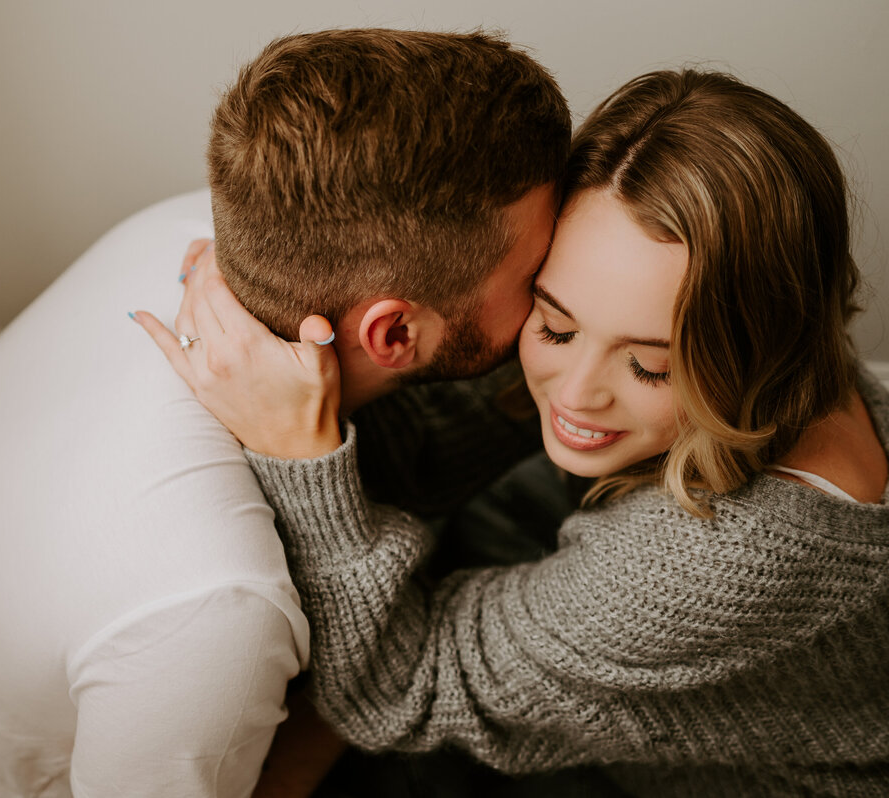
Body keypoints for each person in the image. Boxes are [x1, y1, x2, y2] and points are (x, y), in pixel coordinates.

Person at [0, 29, 570, 798]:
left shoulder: (192, 232)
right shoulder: (215, 606)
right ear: (395, 333)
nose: (564, 277)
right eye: (542, 274)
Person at [139, 69, 889, 796]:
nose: (576, 392)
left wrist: (298, 452)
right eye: (555, 324)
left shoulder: (714, 562)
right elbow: (434, 455)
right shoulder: (777, 368)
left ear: (764, 341)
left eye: (651, 368)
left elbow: (401, 691)